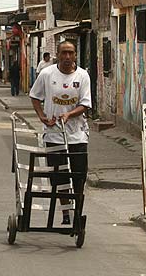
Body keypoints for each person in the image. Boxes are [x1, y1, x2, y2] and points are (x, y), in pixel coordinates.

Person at [29, 40, 91, 225]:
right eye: (63, 53)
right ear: (57, 54)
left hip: (77, 134)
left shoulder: (83, 75)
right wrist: (41, 116)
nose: (67, 57)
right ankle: (66, 213)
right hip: (54, 135)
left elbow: (85, 104)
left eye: (70, 53)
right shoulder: (47, 74)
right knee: (59, 177)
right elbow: (34, 96)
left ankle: (77, 212)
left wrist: (69, 114)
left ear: (75, 55)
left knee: (79, 177)